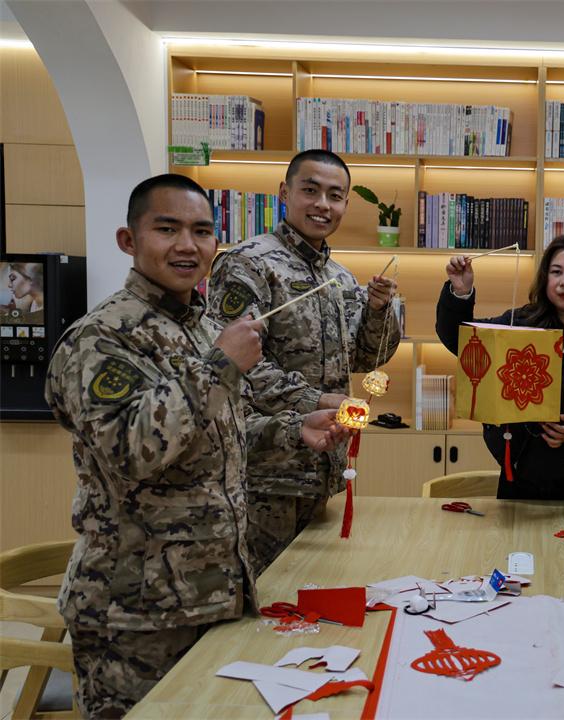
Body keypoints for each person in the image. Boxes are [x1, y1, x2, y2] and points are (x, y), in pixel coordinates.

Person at [44, 174, 349, 718]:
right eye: (167, 229)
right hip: (135, 614)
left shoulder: (204, 328)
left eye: (201, 231)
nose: (187, 245)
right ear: (129, 240)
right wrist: (221, 365)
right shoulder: (102, 337)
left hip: (215, 593)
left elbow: (217, 440)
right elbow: (131, 451)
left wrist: (293, 430)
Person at [208, 149, 401, 574]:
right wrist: (316, 400)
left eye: (335, 196)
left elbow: (367, 357)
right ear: (285, 193)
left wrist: (378, 310)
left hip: (322, 468)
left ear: (346, 203)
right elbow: (236, 363)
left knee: (308, 593)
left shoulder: (339, 277)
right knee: (259, 597)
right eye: (310, 191)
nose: (322, 205)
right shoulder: (248, 263)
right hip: (265, 472)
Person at [436, 233, 564, 500]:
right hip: (517, 480)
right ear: (545, 279)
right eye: (556, 272)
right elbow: (462, 341)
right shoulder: (518, 324)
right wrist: (460, 293)